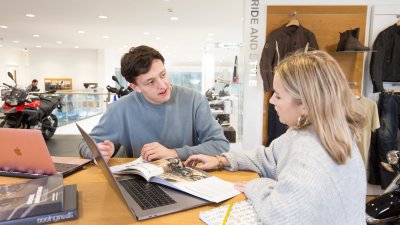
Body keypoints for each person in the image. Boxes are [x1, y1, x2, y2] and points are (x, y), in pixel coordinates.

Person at [185, 50, 367, 225]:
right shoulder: (309, 133)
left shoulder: (311, 153)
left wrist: (256, 186)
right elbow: (269, 157)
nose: (271, 101)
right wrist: (221, 160)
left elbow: (281, 215)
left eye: (278, 96)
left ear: (305, 105)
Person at [79, 45, 229, 162]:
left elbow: (220, 144)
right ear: (135, 87)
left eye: (163, 75)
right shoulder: (120, 109)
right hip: (141, 185)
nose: (162, 85)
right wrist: (98, 151)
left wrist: (174, 153)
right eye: (151, 82)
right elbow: (86, 144)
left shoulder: (195, 100)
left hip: (189, 180)